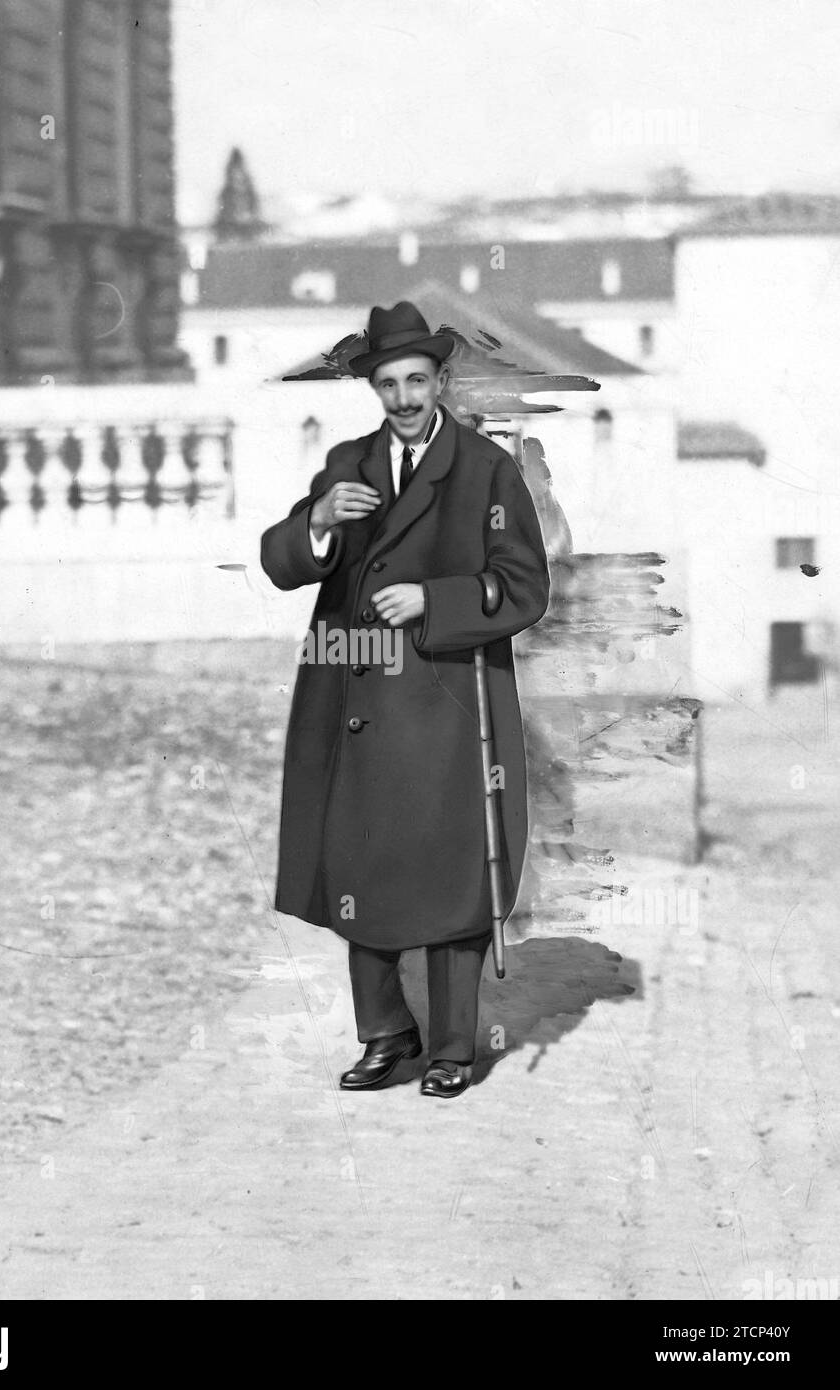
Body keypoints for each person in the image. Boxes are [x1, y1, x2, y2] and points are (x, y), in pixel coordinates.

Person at [260, 301, 550, 1098]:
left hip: (446, 701)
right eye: (386, 384)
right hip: (354, 697)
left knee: (453, 870)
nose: (401, 399)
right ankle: (386, 1032)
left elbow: (525, 588)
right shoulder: (347, 462)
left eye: (415, 381)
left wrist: (437, 601)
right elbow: (282, 561)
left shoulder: (486, 471)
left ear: (439, 380)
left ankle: (454, 1045)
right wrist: (317, 519)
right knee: (364, 863)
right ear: (372, 388)